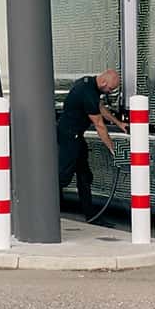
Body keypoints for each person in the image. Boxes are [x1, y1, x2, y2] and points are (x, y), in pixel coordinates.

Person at [56, 69, 124, 221]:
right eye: (110, 89)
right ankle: (47, 207)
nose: (109, 92)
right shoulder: (86, 91)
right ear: (104, 82)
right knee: (63, 176)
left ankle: (91, 215)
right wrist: (112, 148)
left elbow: (99, 107)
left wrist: (118, 123)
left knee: (84, 176)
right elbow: (99, 125)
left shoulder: (90, 85)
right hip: (69, 135)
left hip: (76, 136)